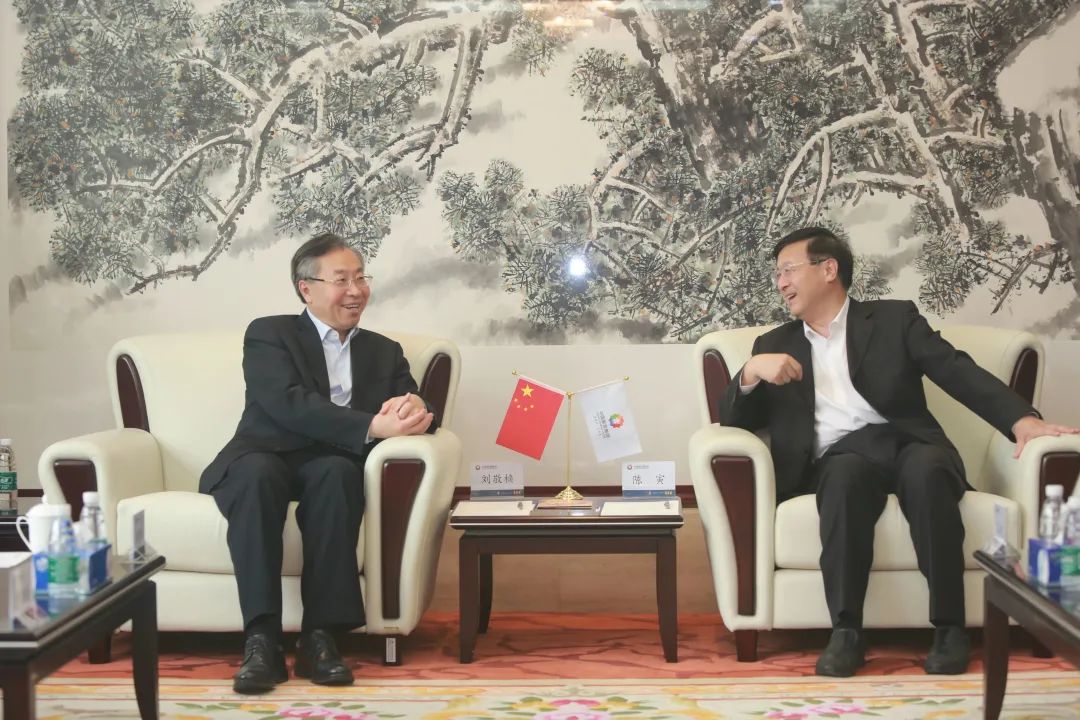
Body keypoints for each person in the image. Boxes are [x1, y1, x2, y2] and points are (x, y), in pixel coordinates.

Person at [720, 227, 1079, 678]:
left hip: (910, 443)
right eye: (778, 274)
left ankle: (950, 628)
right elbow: (733, 423)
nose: (781, 282)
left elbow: (954, 369)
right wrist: (752, 371)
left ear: (828, 269)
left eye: (788, 270)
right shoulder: (773, 345)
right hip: (841, 457)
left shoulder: (893, 319)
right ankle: (846, 632)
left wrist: (1021, 419)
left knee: (928, 472)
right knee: (843, 480)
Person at [200, 232, 436, 694]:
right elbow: (287, 403)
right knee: (256, 476)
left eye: (361, 278)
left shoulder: (383, 351)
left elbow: (419, 407)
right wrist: (373, 425)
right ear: (306, 288)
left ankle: (320, 638)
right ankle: (262, 640)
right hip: (265, 452)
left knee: (337, 474)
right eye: (341, 280)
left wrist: (415, 409)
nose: (356, 290)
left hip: (329, 460)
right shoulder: (269, 334)